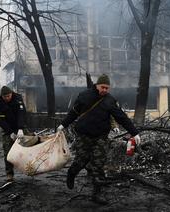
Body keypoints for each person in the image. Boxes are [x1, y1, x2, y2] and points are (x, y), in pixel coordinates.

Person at [57, 74, 141, 204]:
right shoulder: (84, 96)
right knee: (81, 161)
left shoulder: (110, 101)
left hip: (100, 137)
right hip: (84, 136)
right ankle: (71, 173)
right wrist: (63, 125)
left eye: (107, 88)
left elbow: (121, 117)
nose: (105, 90)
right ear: (97, 85)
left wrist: (134, 133)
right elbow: (73, 113)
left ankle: (97, 194)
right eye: (103, 87)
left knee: (99, 165)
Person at [0, 86, 27, 182]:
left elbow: (21, 114)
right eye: (5, 97)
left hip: (20, 126)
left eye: (8, 96)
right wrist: (10, 133)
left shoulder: (18, 98)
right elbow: (0, 119)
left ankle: (31, 168)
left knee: (28, 146)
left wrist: (21, 129)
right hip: (7, 129)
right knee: (7, 152)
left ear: (11, 94)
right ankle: (9, 174)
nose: (7, 98)